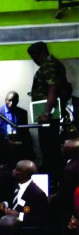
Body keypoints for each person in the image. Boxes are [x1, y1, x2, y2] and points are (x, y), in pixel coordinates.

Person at [28, 41, 72, 176]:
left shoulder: (49, 65)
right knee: (49, 146)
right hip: (48, 112)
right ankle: (53, 174)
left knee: (48, 146)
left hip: (48, 114)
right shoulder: (53, 64)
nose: (34, 60)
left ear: (41, 53)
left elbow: (53, 88)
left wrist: (46, 112)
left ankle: (53, 175)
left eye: (34, 56)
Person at [0, 159, 49, 229]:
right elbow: (13, 202)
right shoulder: (14, 185)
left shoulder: (38, 194)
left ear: (21, 173)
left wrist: (19, 215)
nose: (13, 170)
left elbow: (41, 219)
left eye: (16, 169)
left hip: (24, 230)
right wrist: (5, 204)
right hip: (7, 228)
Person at [0, 91, 34, 162]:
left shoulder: (23, 113)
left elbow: (25, 131)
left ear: (17, 101)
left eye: (14, 101)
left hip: (18, 143)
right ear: (5, 100)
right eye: (9, 100)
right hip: (4, 143)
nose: (11, 103)